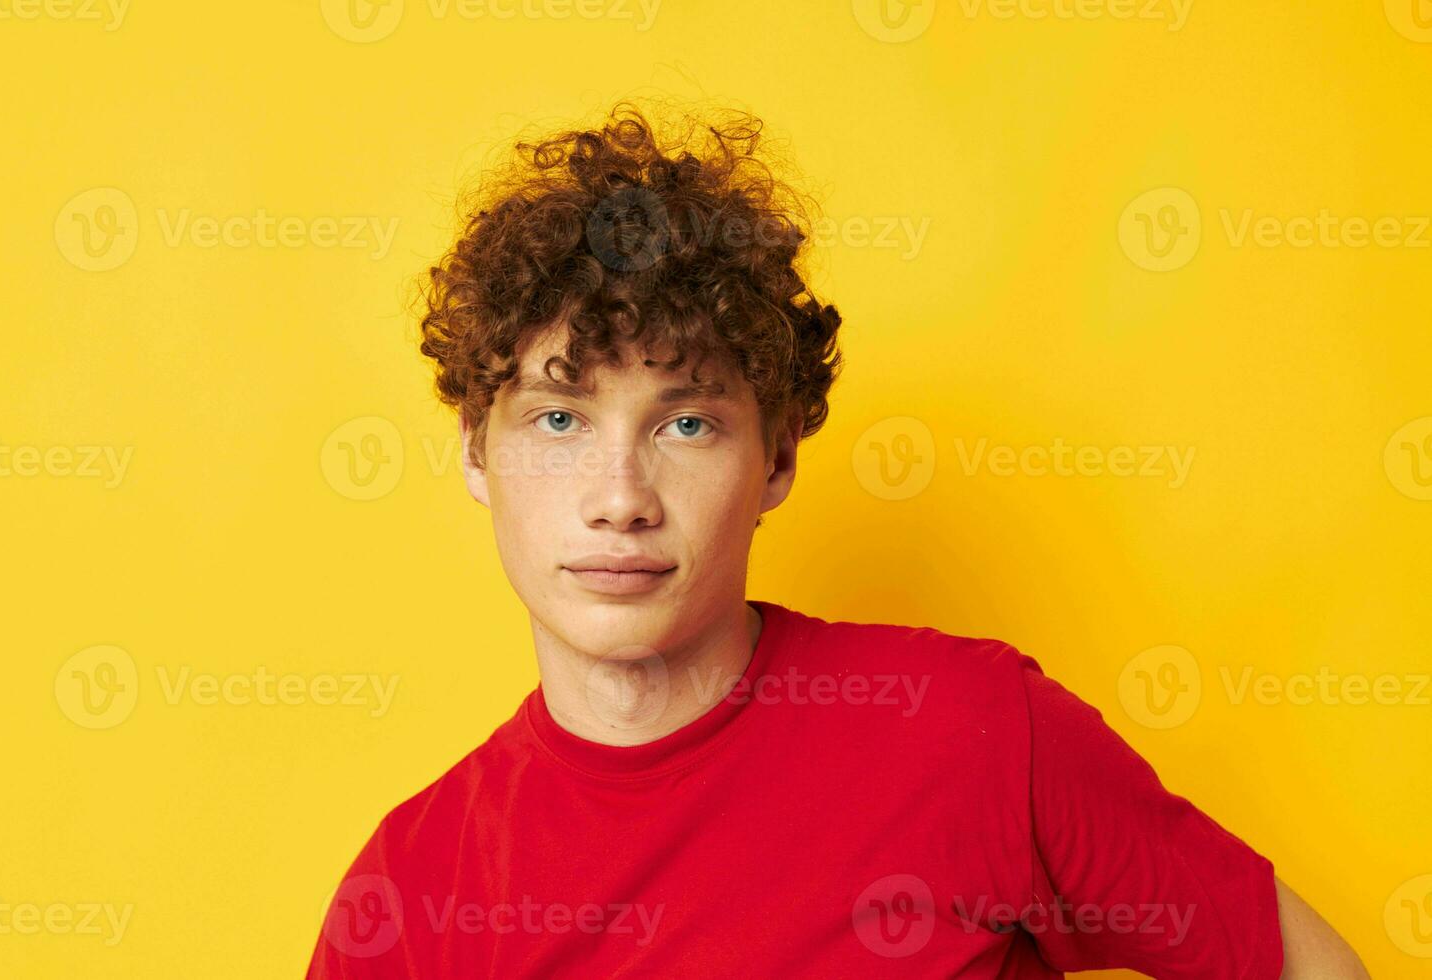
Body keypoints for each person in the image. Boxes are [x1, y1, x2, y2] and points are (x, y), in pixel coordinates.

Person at [305, 101, 1367, 978]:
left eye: (687, 422)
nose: (620, 497)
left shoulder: (973, 729)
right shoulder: (410, 894)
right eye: (558, 419)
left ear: (775, 459)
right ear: (476, 455)